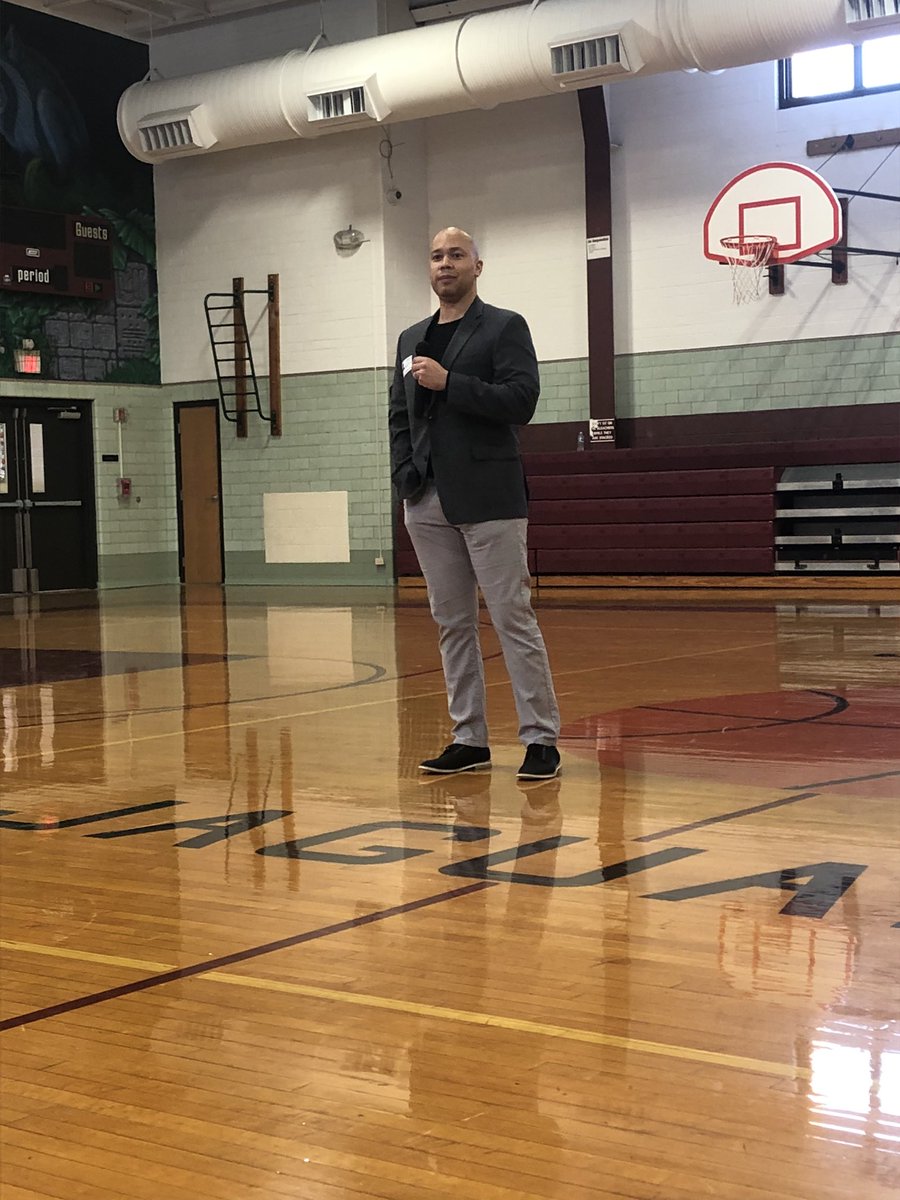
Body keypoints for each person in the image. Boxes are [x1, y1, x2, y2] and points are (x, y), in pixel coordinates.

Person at [388, 227, 561, 780]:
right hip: (426, 498)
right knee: (451, 623)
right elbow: (400, 415)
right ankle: (469, 738)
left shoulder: (504, 326)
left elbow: (522, 400)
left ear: (477, 266)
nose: (445, 263)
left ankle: (540, 739)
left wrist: (451, 383)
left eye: (456, 255)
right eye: (436, 255)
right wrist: (405, 475)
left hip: (489, 495)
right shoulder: (410, 338)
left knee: (512, 618)